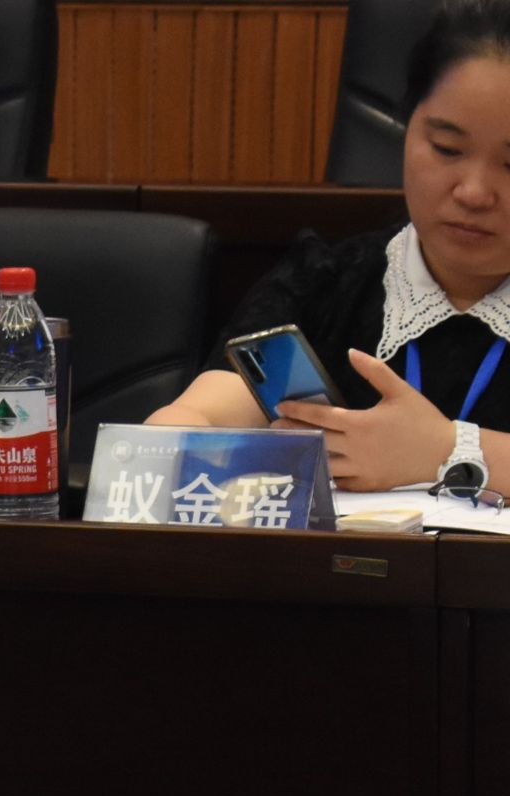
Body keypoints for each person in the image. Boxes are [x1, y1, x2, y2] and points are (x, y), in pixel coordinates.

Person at [149, 0, 510, 495]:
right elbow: (204, 415)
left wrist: (449, 451)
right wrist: (172, 439)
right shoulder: (324, 281)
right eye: (447, 149)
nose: (473, 192)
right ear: (407, 129)